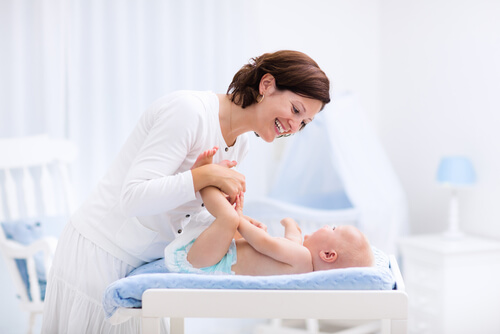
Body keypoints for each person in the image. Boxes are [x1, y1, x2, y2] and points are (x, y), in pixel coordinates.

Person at [41, 50, 331, 333]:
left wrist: (235, 224)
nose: (294, 126)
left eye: (304, 123)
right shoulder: (189, 112)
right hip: (99, 253)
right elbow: (133, 198)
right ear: (266, 85)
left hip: (144, 264)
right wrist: (202, 175)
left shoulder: (241, 144)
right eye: (295, 110)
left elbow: (184, 211)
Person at [165, 147, 374, 276]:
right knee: (239, 222)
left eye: (334, 229)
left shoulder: (302, 258)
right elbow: (291, 240)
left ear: (328, 255)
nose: (328, 226)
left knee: (229, 218)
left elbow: (266, 243)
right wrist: (290, 225)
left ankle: (204, 179)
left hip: (207, 262)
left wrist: (239, 219)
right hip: (213, 257)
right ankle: (208, 181)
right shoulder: (301, 262)